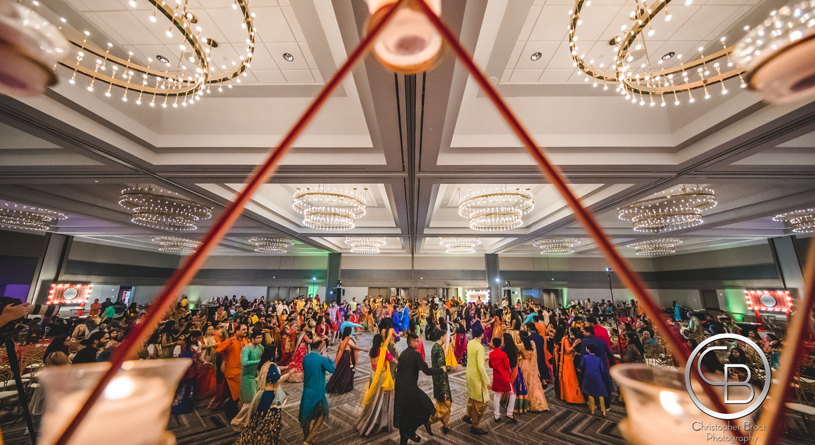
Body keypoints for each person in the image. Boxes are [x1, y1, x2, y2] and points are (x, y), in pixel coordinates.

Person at [394, 333, 445, 445]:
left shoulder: (403, 354)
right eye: (417, 341)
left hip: (400, 389)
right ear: (412, 342)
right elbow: (427, 371)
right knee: (428, 408)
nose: (419, 343)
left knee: (405, 416)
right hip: (410, 388)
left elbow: (397, 371)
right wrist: (441, 369)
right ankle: (410, 431)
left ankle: (405, 438)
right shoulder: (416, 355)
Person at [235, 356, 292, 445]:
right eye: (276, 352)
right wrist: (290, 373)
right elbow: (278, 380)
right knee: (269, 423)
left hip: (261, 394)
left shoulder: (264, 364)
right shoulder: (271, 366)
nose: (277, 353)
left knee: (257, 420)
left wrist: (285, 368)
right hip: (269, 396)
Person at [357, 333, 397, 436]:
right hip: (382, 377)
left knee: (373, 398)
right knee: (380, 400)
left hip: (372, 374)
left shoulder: (372, 350)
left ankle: (371, 418)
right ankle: (380, 421)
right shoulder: (382, 350)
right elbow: (393, 360)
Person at [299, 338, 334, 445]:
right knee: (323, 412)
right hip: (318, 390)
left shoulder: (306, 358)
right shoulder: (321, 359)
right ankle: (309, 439)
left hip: (307, 389)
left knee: (306, 415)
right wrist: (328, 358)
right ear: (319, 347)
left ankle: (306, 437)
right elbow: (332, 369)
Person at [232, 330, 265, 431]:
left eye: (261, 337)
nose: (260, 339)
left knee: (255, 401)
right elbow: (244, 362)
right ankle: (236, 421)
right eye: (258, 337)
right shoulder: (247, 349)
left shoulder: (260, 347)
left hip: (256, 375)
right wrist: (259, 361)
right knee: (249, 402)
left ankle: (246, 423)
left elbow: (266, 354)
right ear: (252, 339)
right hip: (247, 376)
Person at [215, 323, 249, 421]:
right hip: (232, 373)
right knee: (235, 396)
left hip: (243, 372)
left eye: (246, 329)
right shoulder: (230, 341)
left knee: (240, 395)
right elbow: (217, 351)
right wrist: (228, 343)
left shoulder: (246, 341)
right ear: (236, 331)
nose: (245, 331)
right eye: (243, 329)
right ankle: (231, 415)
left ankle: (236, 414)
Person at [580, 325, 616, 401]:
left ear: (588, 332)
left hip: (590, 366)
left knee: (591, 386)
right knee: (604, 384)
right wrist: (613, 364)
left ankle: (594, 403)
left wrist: (580, 367)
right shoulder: (602, 341)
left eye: (584, 332)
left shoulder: (584, 341)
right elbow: (609, 353)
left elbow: (583, 354)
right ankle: (606, 404)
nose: (583, 333)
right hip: (603, 363)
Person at [428, 329, 452, 434]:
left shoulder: (434, 347)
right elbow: (443, 368)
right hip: (442, 380)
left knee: (440, 403)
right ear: (442, 337)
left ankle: (446, 424)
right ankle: (430, 420)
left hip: (435, 378)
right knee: (447, 403)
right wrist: (453, 368)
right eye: (445, 336)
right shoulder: (440, 350)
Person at [519, 330, 549, 412]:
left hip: (524, 365)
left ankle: (524, 403)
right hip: (531, 366)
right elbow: (534, 357)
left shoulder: (520, 346)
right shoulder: (532, 344)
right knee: (532, 382)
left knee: (524, 383)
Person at [489, 337, 517, 423]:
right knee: (512, 393)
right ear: (501, 344)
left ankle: (497, 415)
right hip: (504, 377)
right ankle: (509, 412)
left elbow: (490, 365)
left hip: (496, 377)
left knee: (497, 396)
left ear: (493, 344)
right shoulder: (503, 354)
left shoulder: (491, 354)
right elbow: (507, 366)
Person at [580, 344, 609, 416]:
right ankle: (603, 411)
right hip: (597, 377)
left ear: (588, 350)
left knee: (590, 392)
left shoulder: (585, 357)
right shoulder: (598, 359)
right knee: (600, 393)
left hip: (588, 377)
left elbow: (581, 365)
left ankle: (592, 409)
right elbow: (602, 369)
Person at [558, 327, 584, 404]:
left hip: (570, 359)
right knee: (569, 377)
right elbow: (566, 351)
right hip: (567, 360)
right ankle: (569, 395)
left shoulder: (568, 339)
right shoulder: (565, 339)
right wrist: (574, 345)